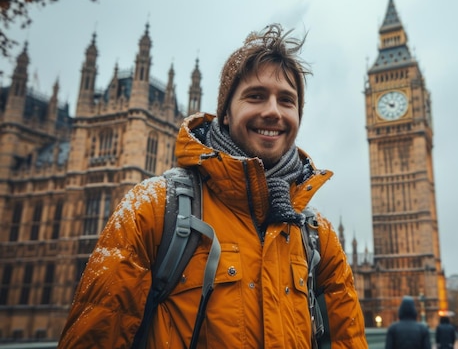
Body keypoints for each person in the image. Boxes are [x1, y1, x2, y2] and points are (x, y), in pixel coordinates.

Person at [57, 23, 368, 348]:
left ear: (298, 117)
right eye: (256, 96)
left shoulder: (318, 236)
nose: (273, 111)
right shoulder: (153, 209)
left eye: (287, 101)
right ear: (225, 115)